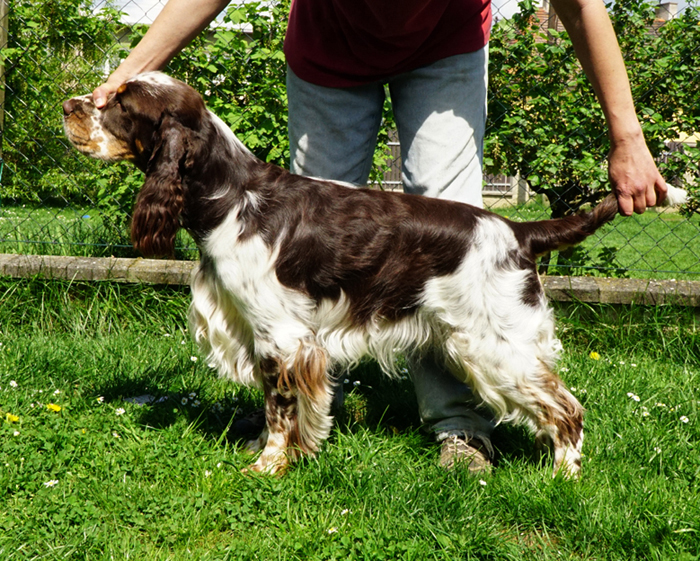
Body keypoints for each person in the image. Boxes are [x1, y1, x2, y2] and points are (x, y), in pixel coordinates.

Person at [93, 0, 668, 472]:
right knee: (307, 250)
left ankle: (462, 429)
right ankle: (299, 419)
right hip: (329, 46)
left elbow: (579, 3)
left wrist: (628, 136)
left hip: (445, 42)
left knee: (456, 232)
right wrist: (131, 74)